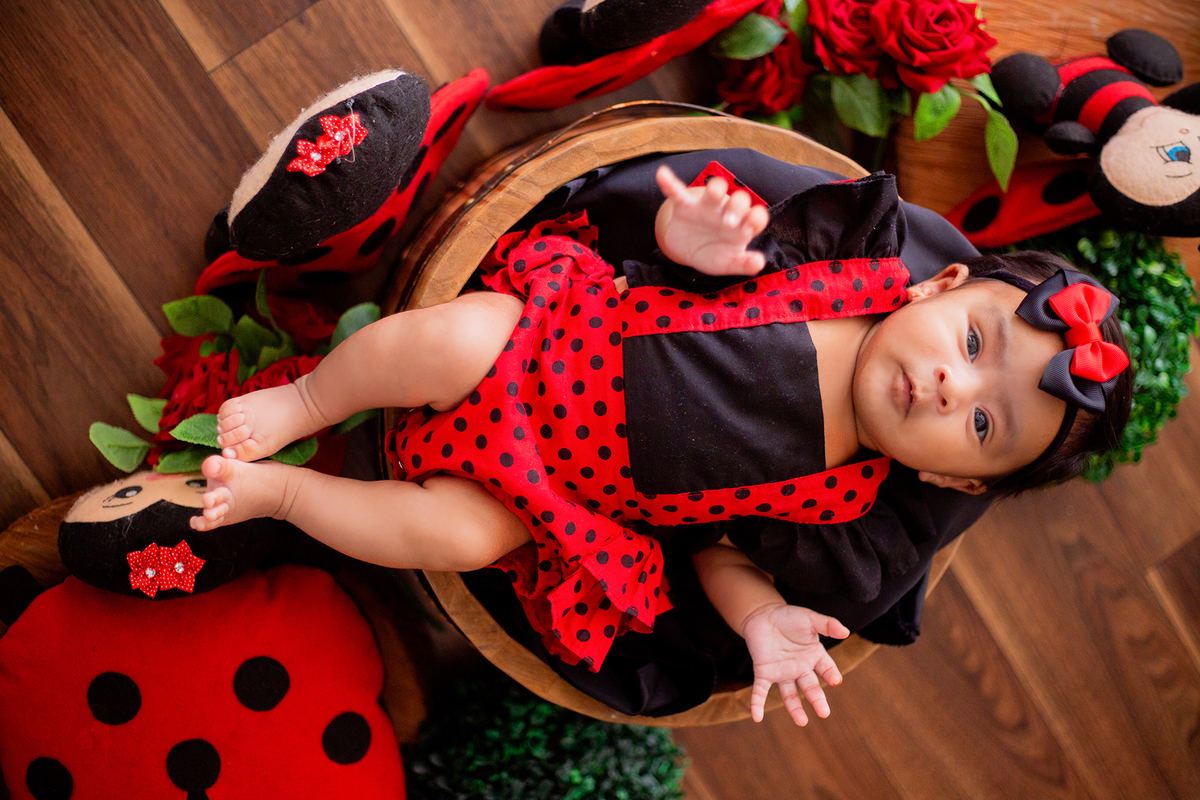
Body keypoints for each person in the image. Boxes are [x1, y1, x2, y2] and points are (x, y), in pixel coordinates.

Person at [191, 162, 1133, 727]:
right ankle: (309, 400)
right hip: (550, 338)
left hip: (565, 496)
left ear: (943, 476)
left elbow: (718, 555)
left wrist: (761, 619)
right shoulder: (841, 268)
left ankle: (288, 500)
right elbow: (693, 258)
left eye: (980, 424)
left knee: (462, 537)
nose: (949, 384)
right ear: (936, 286)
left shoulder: (844, 503)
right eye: (972, 344)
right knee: (442, 342)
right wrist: (695, 239)